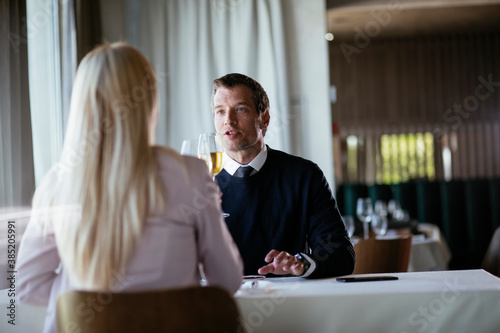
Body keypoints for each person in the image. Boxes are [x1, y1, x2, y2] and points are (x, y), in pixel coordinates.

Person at [16, 43, 243, 333]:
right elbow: (228, 279)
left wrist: (81, 294)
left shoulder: (57, 185)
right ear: (148, 102)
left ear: (82, 104)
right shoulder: (191, 175)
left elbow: (27, 285)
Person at [212, 73, 355, 279]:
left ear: (265, 119)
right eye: (220, 111)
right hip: (216, 302)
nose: (229, 120)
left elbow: (341, 254)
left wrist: (301, 263)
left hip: (289, 304)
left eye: (240, 109)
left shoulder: (304, 176)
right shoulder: (198, 181)